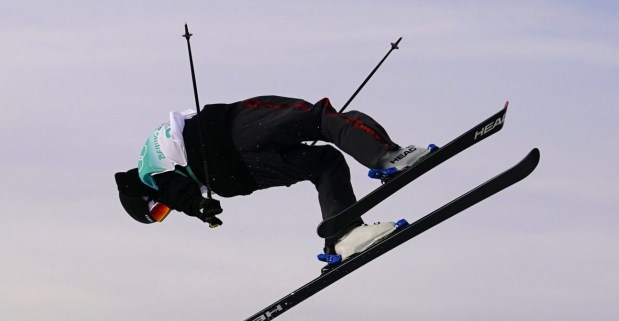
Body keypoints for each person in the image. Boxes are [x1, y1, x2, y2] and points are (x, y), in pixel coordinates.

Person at [114, 95, 434, 260]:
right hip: (228, 133)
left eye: (158, 210)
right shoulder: (149, 173)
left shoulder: (145, 176)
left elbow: (176, 192)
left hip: (232, 178)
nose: (164, 209)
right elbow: (177, 193)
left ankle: (344, 236)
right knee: (321, 119)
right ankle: (388, 157)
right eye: (161, 214)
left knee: (324, 163)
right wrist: (196, 206)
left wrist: (198, 207)